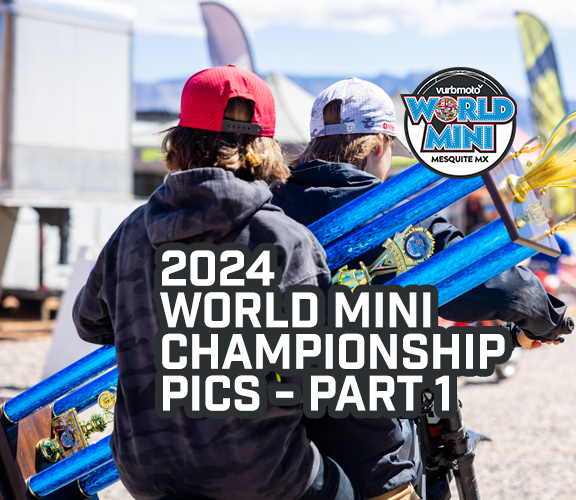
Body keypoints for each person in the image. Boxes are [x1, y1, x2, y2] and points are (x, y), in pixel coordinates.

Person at [73, 66, 364, 500]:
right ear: (266, 147)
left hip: (147, 473)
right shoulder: (284, 240)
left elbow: (89, 322)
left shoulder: (132, 231)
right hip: (260, 475)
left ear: (179, 141)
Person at [271, 77, 568, 499]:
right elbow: (485, 282)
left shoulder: (267, 206)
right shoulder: (395, 216)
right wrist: (548, 317)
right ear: (379, 145)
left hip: (275, 446)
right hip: (371, 453)